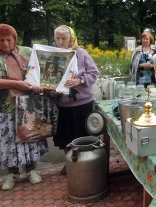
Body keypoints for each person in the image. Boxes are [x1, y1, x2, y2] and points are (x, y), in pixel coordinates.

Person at [0, 24, 46, 190]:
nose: (5, 43)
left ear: (15, 39)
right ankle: (12, 173)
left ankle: (31, 170)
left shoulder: (26, 52)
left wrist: (41, 85)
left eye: (9, 39)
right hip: (6, 108)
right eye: (1, 40)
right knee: (9, 141)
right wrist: (16, 83)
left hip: (28, 105)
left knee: (29, 137)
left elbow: (40, 71)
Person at [52, 25, 99, 175]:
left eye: (64, 38)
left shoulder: (81, 53)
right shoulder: (53, 55)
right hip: (62, 104)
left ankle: (86, 162)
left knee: (82, 134)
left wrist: (80, 80)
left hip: (82, 104)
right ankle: (70, 162)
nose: (60, 42)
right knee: (64, 135)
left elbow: (94, 72)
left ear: (71, 39)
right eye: (58, 38)